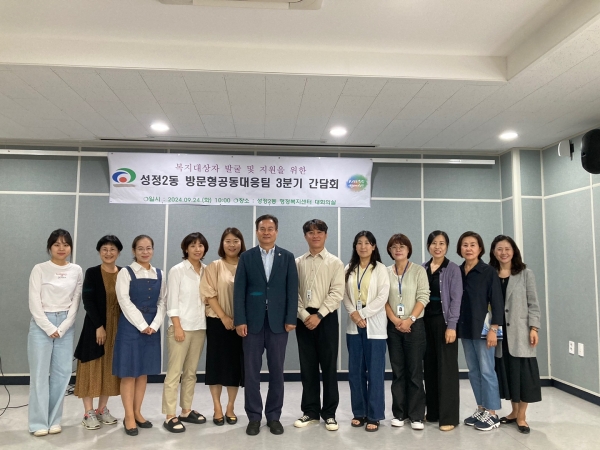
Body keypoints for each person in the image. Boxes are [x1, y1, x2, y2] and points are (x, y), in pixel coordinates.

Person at [234, 214, 299, 436]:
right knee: (251, 372)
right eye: (262, 229)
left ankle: (273, 416)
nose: (266, 232)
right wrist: (240, 320)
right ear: (257, 231)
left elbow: (292, 290)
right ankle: (254, 417)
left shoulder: (287, 257)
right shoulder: (247, 257)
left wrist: (291, 318)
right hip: (251, 324)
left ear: (276, 232)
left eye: (270, 229)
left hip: (279, 323)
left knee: (277, 372)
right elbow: (239, 291)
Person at [28, 229, 83, 436]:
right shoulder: (39, 269)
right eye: (57, 244)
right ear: (49, 247)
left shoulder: (76, 270)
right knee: (40, 374)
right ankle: (38, 423)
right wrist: (49, 327)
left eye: (66, 244)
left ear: (70, 247)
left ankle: (54, 420)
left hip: (65, 325)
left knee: (62, 374)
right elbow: (34, 301)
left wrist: (64, 326)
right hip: (41, 324)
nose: (62, 248)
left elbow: (76, 301)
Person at [294, 219, 344, 431]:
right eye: (311, 232)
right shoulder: (297, 262)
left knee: (329, 367)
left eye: (319, 232)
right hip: (303, 319)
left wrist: (319, 315)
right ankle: (310, 412)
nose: (315, 236)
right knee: (308, 368)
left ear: (326, 235)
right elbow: (293, 292)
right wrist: (305, 315)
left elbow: (337, 293)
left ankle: (330, 414)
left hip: (327, 319)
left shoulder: (335, 263)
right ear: (305, 236)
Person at [113, 235, 166, 436]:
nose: (145, 252)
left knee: (143, 372)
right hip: (131, 326)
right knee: (129, 373)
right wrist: (143, 325)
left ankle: (137, 412)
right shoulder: (125, 273)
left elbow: (163, 301)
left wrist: (154, 324)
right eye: (141, 248)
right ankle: (128, 416)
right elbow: (124, 301)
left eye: (149, 248)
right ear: (134, 251)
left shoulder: (159, 273)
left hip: (152, 327)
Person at [490, 235, 542, 434]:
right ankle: (513, 412)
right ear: (494, 252)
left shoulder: (525, 274)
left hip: (520, 332)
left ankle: (522, 417)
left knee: (524, 376)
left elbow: (533, 303)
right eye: (499, 249)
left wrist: (534, 328)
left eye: (507, 249)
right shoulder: (491, 274)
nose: (503, 252)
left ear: (514, 251)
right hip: (498, 333)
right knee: (509, 374)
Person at [74, 235, 124, 430]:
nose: (108, 253)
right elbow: (88, 301)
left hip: (117, 327)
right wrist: (99, 326)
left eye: (112, 249)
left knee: (109, 368)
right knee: (91, 366)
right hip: (96, 327)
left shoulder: (124, 273)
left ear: (118, 252)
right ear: (99, 252)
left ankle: (102, 409)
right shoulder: (93, 272)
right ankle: (88, 412)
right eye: (104, 249)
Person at [161, 233, 209, 433]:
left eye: (200, 245)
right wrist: (177, 326)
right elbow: (171, 301)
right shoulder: (177, 270)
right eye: (193, 245)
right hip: (180, 327)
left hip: (200, 327)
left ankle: (186, 411)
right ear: (186, 249)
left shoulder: (207, 270)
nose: (197, 249)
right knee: (174, 373)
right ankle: (169, 415)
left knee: (190, 373)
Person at [342, 231, 389, 432]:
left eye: (367, 243)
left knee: (375, 373)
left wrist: (362, 314)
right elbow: (344, 294)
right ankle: (359, 412)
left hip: (374, 328)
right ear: (355, 246)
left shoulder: (380, 269)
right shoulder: (348, 268)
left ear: (374, 246)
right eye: (359, 243)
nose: (363, 247)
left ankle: (374, 415)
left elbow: (383, 296)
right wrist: (353, 314)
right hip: (354, 328)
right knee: (355, 372)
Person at [457, 231, 503, 432]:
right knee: (474, 371)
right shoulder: (458, 271)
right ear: (460, 248)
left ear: (480, 248)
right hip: (465, 328)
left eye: (472, 245)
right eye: (465, 245)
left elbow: (497, 301)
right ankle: (481, 408)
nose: (468, 248)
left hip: (484, 329)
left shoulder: (488, 271)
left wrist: (494, 328)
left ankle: (492, 413)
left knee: (487, 370)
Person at [200, 228, 246, 426]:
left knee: (234, 367)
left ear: (241, 243)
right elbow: (209, 294)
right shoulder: (214, 266)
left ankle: (230, 407)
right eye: (228, 241)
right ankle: (217, 407)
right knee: (216, 366)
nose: (232, 245)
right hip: (218, 322)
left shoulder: (246, 265)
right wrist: (224, 317)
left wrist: (238, 319)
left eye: (236, 241)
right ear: (222, 244)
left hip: (241, 324)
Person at [384, 233, 429, 430]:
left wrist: (410, 319)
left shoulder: (419, 271)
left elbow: (423, 296)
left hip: (415, 325)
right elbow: (383, 298)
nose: (398, 250)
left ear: (408, 249)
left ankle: (417, 415)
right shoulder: (385, 272)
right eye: (394, 247)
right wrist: (395, 320)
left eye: (401, 246)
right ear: (390, 251)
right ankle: (399, 413)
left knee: (414, 371)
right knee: (398, 371)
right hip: (393, 326)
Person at [421, 231, 462, 431]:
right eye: (434, 243)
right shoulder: (422, 268)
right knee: (429, 368)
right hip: (424, 323)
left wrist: (452, 326)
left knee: (447, 370)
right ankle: (433, 412)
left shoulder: (452, 269)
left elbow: (456, 299)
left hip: (444, 323)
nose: (437, 247)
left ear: (447, 246)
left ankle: (448, 417)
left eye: (442, 243)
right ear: (428, 246)